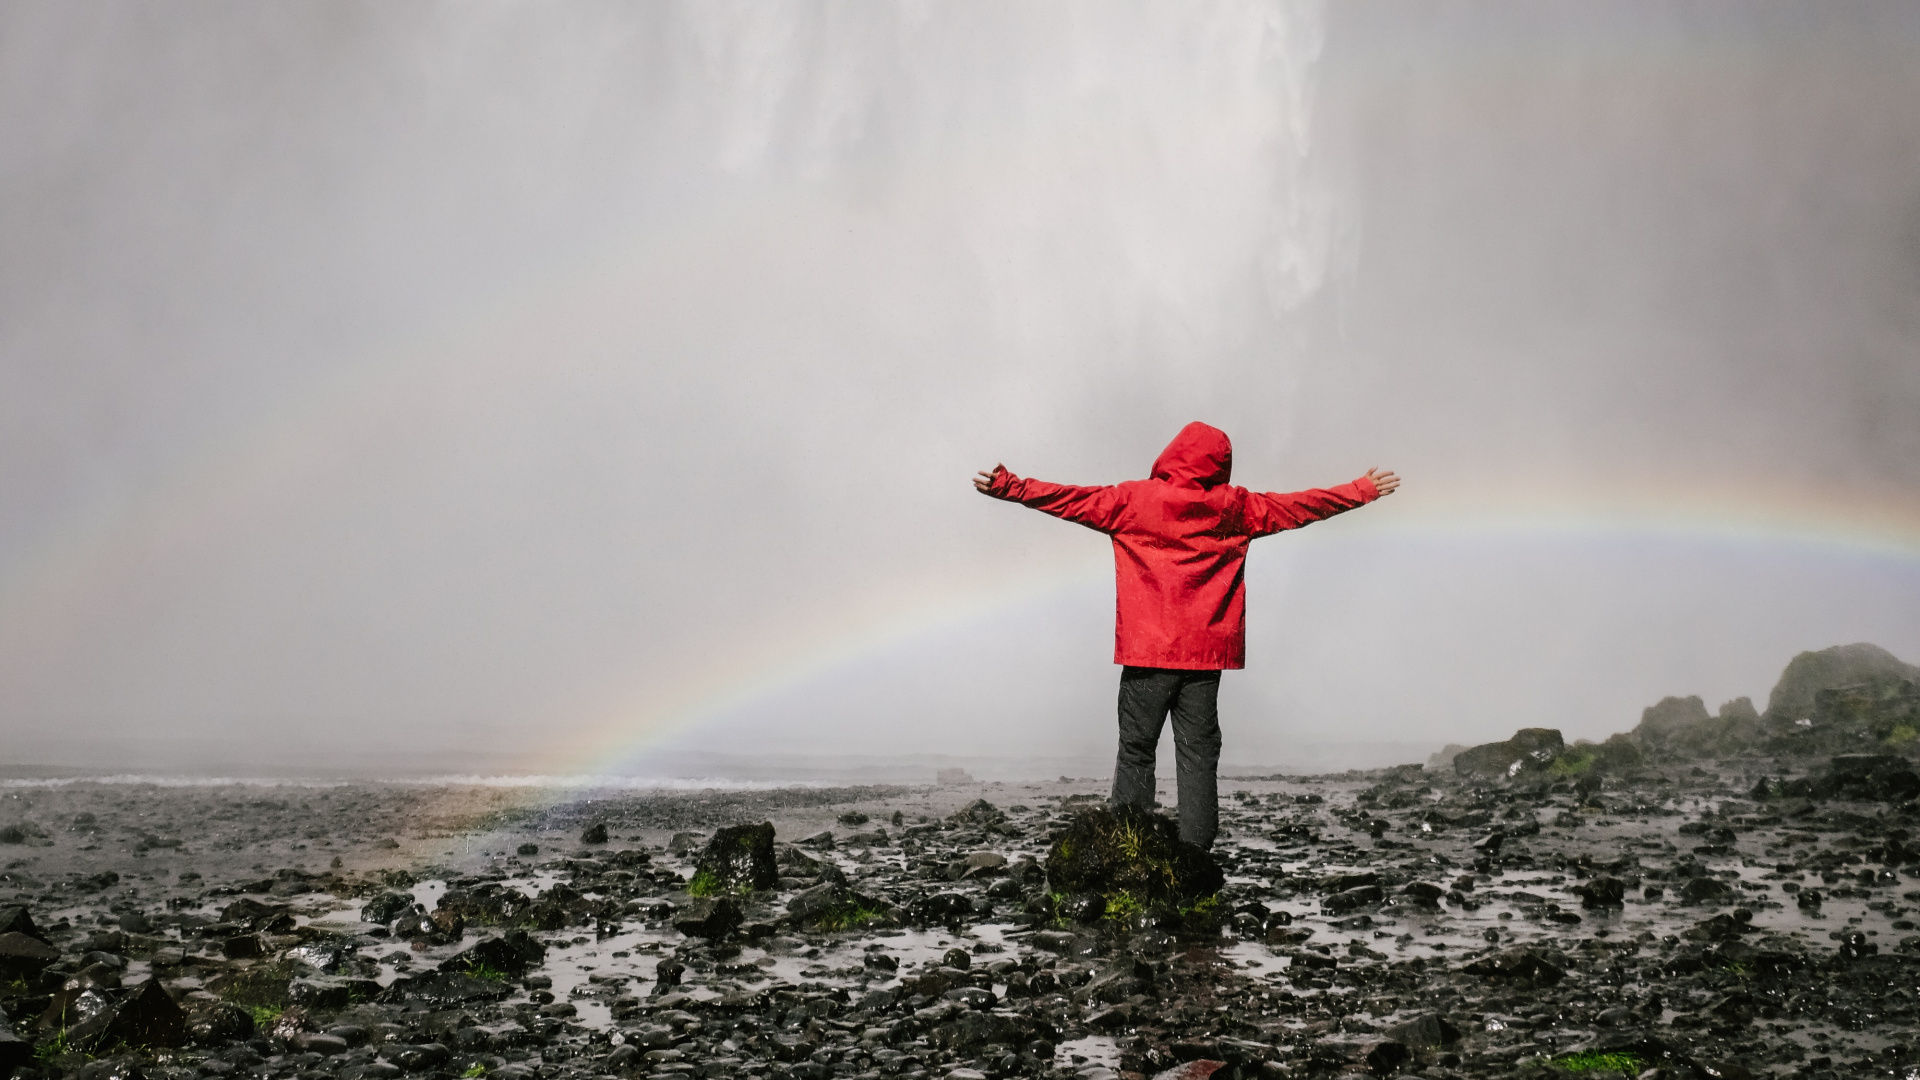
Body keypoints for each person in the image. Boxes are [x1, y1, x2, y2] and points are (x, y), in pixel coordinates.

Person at [974, 421, 1398, 850]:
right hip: (1204, 659)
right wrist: (1360, 489)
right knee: (1198, 754)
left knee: (1137, 750)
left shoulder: (1133, 501)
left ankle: (1132, 844)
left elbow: (1068, 500)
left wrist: (1009, 486)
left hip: (1147, 655)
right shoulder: (1236, 507)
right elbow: (1300, 506)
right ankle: (1196, 851)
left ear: (1171, 453)